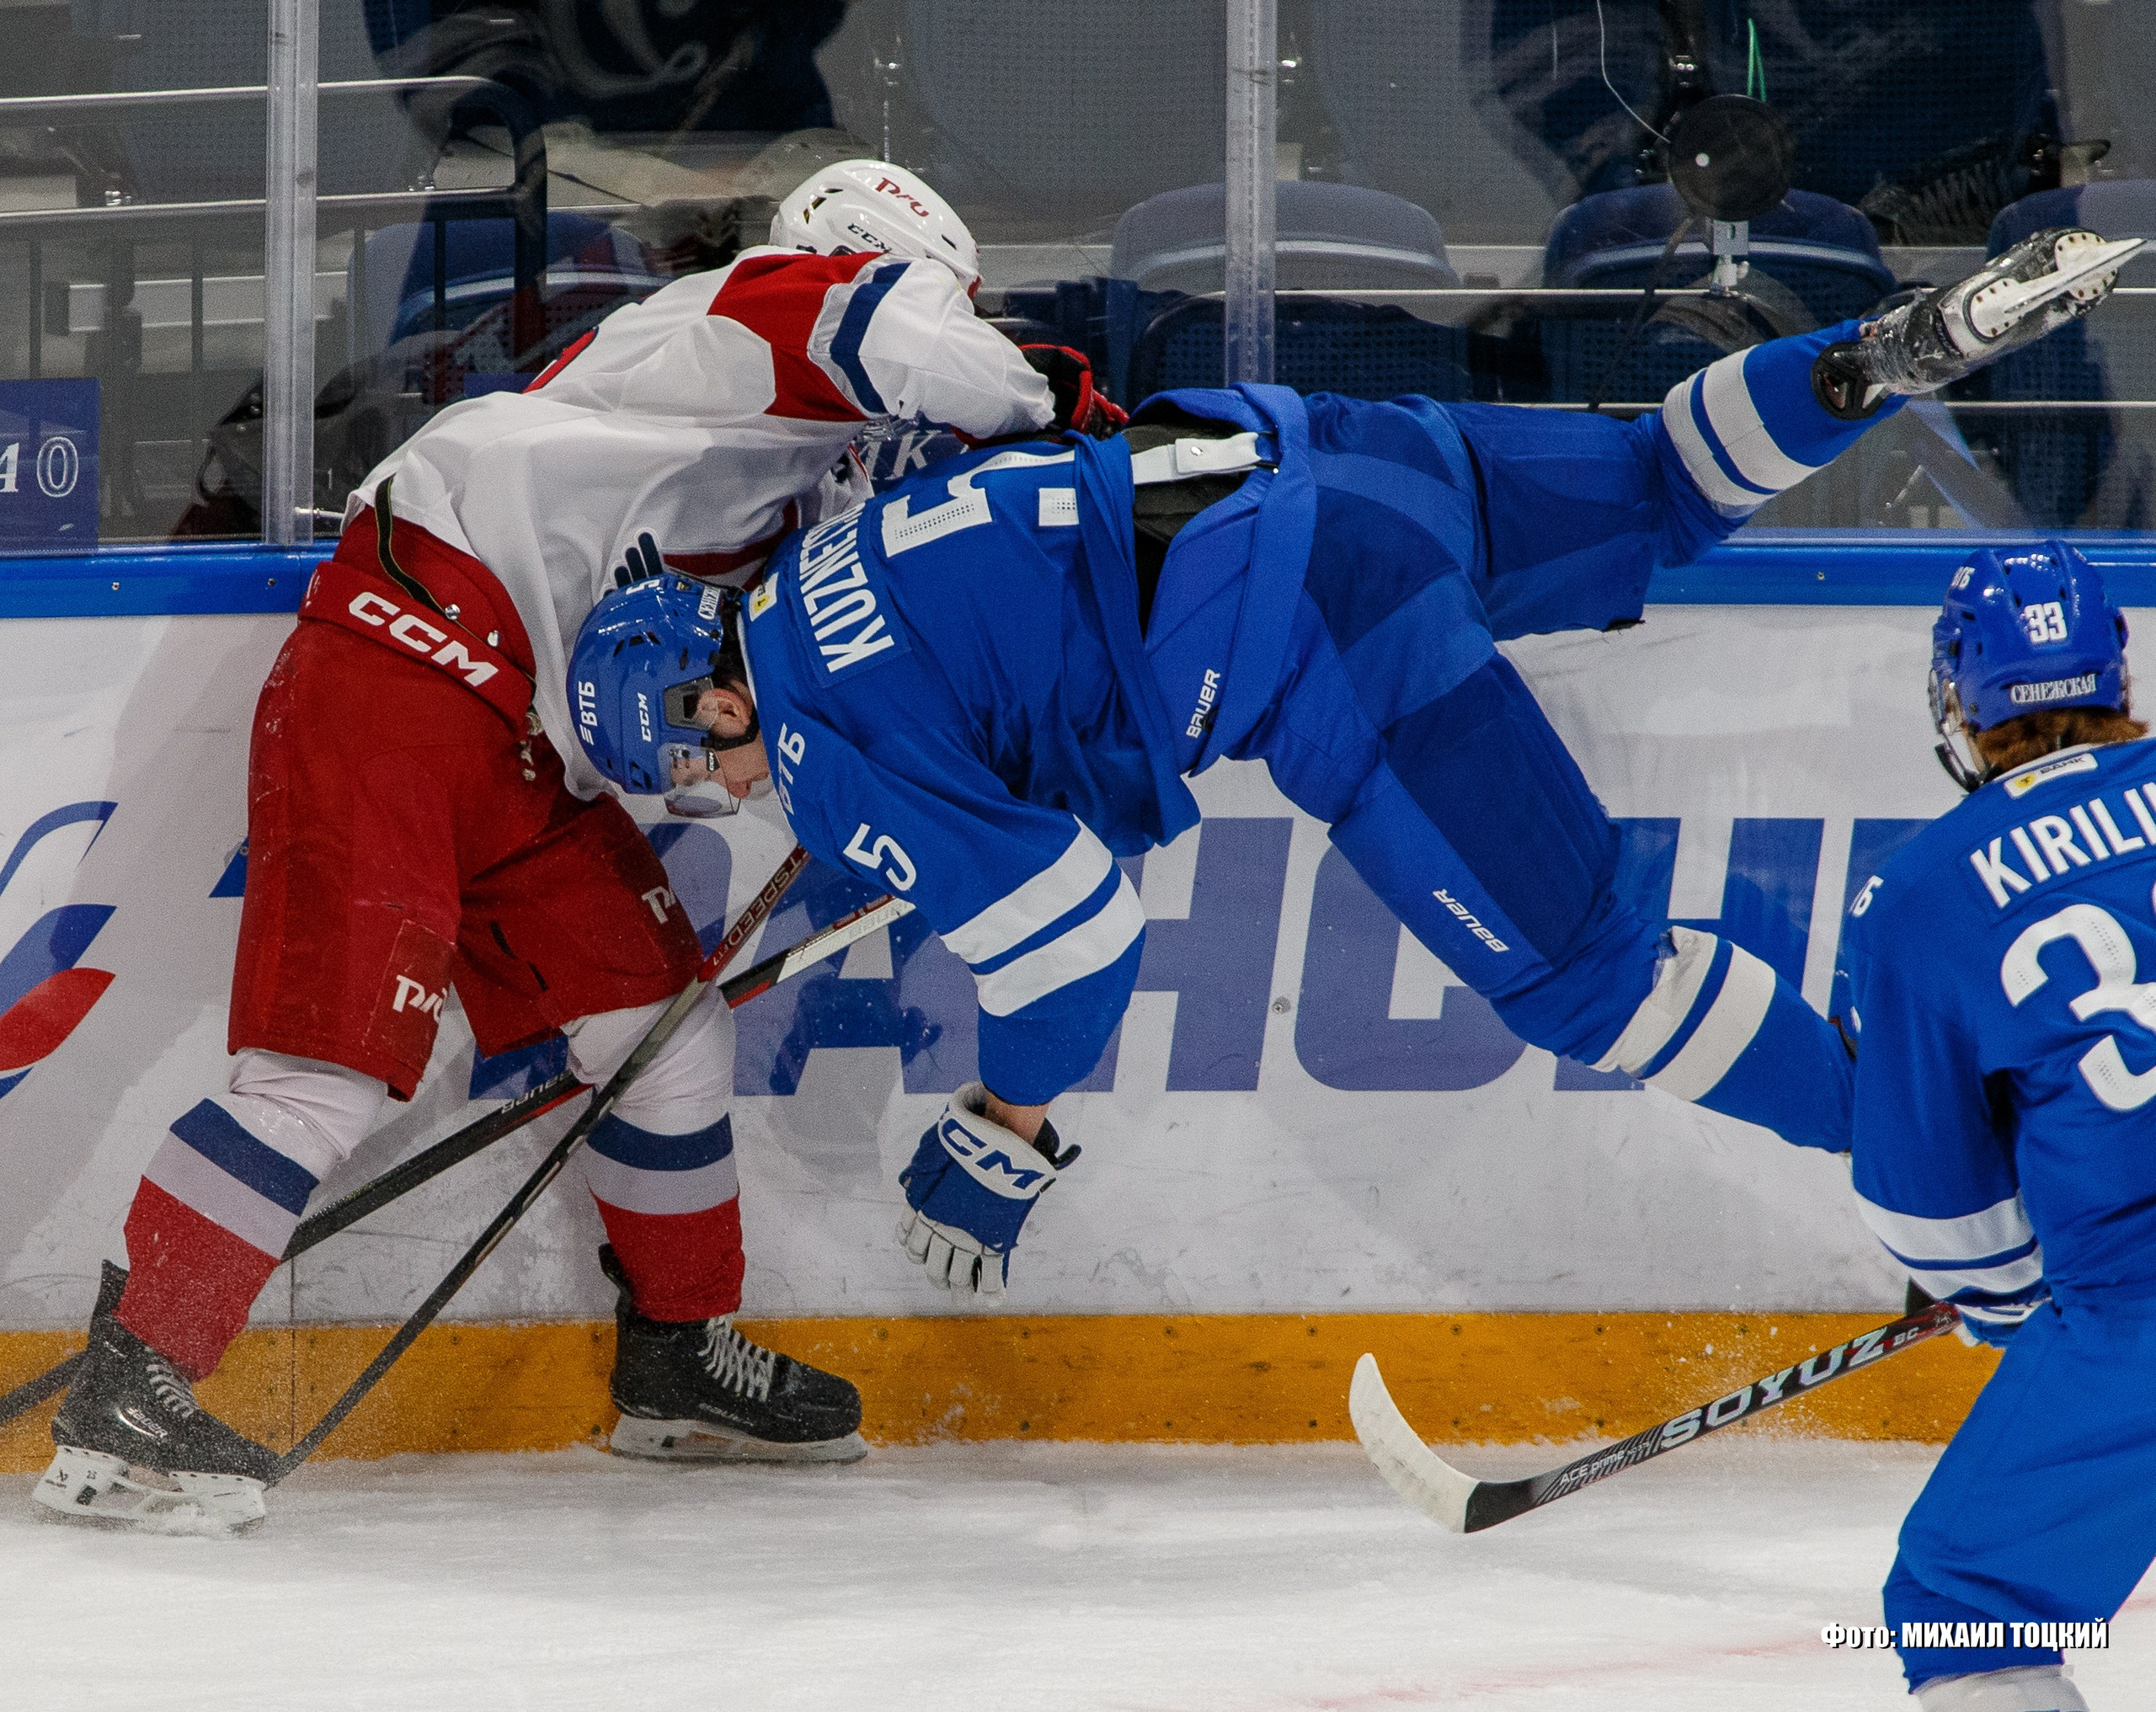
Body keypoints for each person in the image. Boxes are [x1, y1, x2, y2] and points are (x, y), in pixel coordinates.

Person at [564, 227, 2137, 1304]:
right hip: (1325, 452)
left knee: (1592, 981)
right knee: (1663, 481)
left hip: (1323, 618)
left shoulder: (826, 755)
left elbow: (1078, 948)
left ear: (709, 710)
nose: (731, 801)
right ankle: (1876, 356)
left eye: (701, 777)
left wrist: (1005, 1121)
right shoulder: (816, 571)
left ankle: (1980, 1174)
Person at [32, 159, 1108, 1537]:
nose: (945, 334)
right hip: (404, 674)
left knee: (667, 1033)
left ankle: (676, 1364)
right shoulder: (770, 308)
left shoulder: (773, 449)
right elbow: (909, 340)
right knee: (324, 1074)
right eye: (948, 301)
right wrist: (1052, 415)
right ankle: (132, 1388)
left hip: (528, 749)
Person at [1836, 542, 2156, 1712]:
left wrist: (2009, 1308)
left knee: (1968, 1605)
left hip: (2144, 1310)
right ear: (2114, 672)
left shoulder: (1921, 894)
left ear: (1959, 696)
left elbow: (1940, 1214)